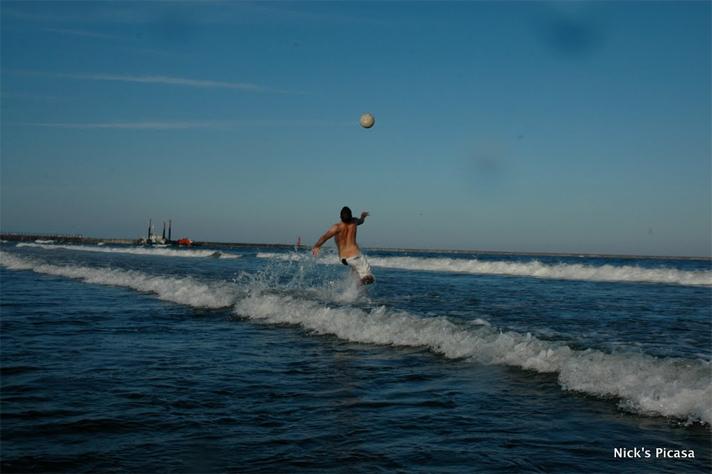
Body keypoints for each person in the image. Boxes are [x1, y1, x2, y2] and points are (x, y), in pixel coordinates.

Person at [312, 206, 375, 285]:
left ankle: (352, 290)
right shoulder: (354, 221)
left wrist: (317, 246)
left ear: (340, 217)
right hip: (356, 256)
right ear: (351, 216)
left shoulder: (336, 227)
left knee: (355, 272)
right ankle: (358, 286)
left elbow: (325, 237)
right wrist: (363, 216)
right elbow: (361, 221)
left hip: (343, 259)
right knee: (369, 278)